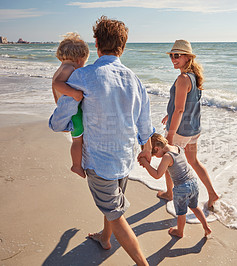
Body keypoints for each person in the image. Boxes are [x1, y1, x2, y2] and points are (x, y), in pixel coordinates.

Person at [49, 16, 154, 266]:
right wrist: (146, 149)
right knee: (112, 206)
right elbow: (144, 122)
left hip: (99, 161)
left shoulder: (82, 77)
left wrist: (63, 120)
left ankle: (142, 263)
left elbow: (58, 122)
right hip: (125, 157)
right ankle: (104, 239)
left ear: (96, 43)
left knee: (115, 214)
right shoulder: (134, 79)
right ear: (124, 46)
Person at [157, 39, 219, 209]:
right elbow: (184, 104)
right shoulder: (194, 77)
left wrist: (170, 134)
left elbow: (179, 110)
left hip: (180, 131)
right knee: (193, 161)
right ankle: (213, 194)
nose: (173, 59)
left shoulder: (183, 78)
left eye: (177, 55)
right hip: (193, 129)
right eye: (172, 55)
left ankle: (170, 193)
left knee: (167, 159)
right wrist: (168, 114)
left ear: (187, 57)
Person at [139, 133, 212, 238]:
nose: (156, 157)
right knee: (194, 207)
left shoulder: (167, 157)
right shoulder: (178, 148)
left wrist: (146, 164)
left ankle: (180, 232)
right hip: (193, 183)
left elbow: (157, 175)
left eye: (154, 155)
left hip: (182, 188)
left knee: (181, 213)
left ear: (156, 148)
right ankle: (206, 226)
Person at [52, 32, 89, 178]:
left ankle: (78, 163)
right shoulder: (68, 69)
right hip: (73, 113)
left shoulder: (61, 69)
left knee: (77, 139)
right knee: (77, 140)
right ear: (79, 60)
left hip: (66, 111)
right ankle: (76, 165)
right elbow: (57, 84)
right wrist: (74, 94)